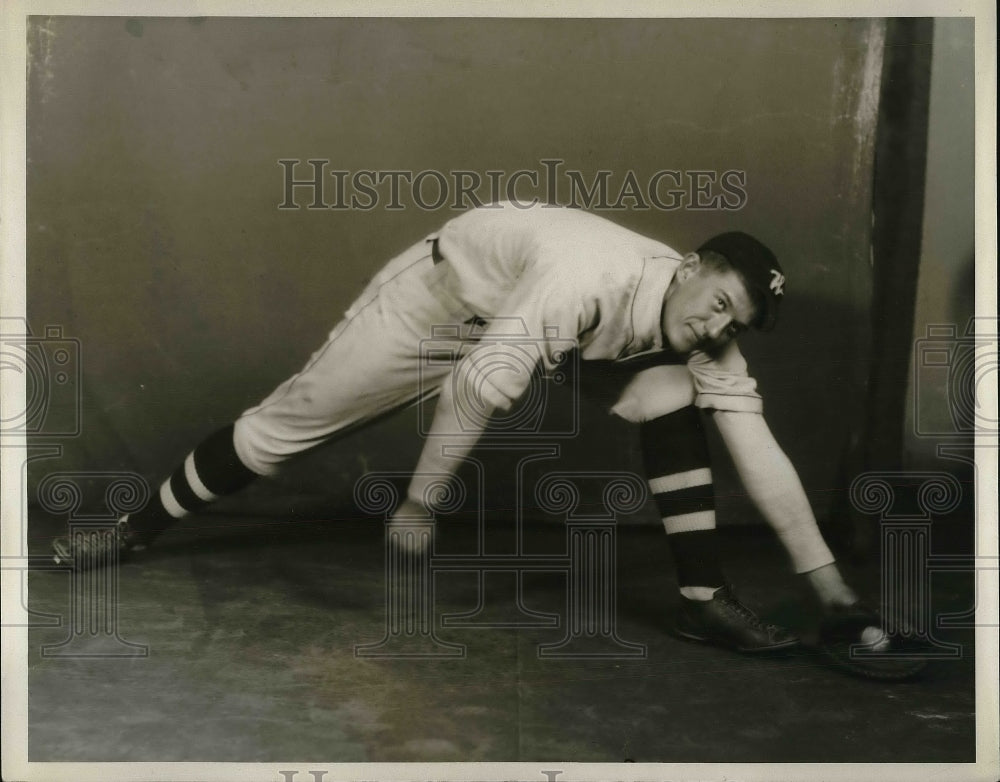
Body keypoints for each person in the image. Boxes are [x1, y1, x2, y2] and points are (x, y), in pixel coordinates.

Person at [53, 202, 876, 657]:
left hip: (551, 329)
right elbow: (480, 388)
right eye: (720, 297)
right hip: (445, 300)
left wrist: (828, 588)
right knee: (281, 431)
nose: (718, 321)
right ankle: (134, 529)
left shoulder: (701, 330)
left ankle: (704, 598)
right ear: (692, 265)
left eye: (739, 317)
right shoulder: (588, 277)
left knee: (673, 396)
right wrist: (419, 504)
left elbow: (759, 454)